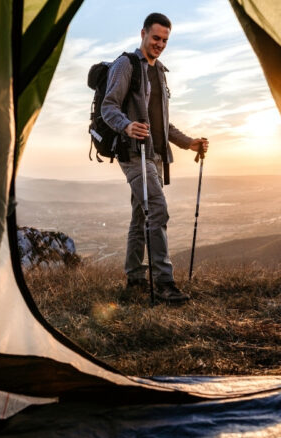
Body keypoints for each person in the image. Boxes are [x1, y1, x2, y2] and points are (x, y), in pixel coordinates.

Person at [102, 12, 209, 302]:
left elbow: (163, 125)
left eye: (164, 40)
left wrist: (189, 143)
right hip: (134, 154)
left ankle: (135, 278)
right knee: (158, 210)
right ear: (143, 34)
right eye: (156, 38)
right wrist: (126, 125)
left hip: (155, 156)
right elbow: (108, 106)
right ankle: (164, 283)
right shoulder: (126, 65)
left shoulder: (160, 72)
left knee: (141, 216)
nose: (160, 44)